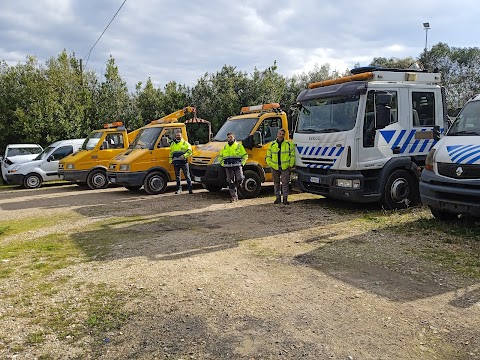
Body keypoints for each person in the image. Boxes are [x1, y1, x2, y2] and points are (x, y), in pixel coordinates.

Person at [266, 128, 295, 205]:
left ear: (284, 135)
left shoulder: (289, 144)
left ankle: (285, 199)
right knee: (276, 183)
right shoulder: (272, 145)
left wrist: (290, 165)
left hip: (285, 167)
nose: (281, 135)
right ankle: (277, 198)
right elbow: (268, 156)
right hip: (275, 167)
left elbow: (292, 155)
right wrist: (270, 164)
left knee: (285, 183)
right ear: (277, 134)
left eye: (282, 134)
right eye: (280, 134)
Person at [218, 132, 248, 202]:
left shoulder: (239, 146)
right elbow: (220, 156)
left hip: (237, 165)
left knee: (240, 178)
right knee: (230, 181)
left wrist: (242, 163)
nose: (229, 138)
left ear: (234, 137)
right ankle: (234, 197)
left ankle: (237, 186)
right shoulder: (225, 147)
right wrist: (222, 163)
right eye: (228, 137)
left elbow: (245, 155)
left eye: (231, 137)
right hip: (228, 166)